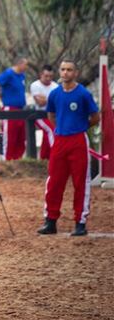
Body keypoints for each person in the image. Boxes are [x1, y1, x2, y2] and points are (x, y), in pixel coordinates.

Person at [38, 60, 100, 236]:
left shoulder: (83, 94)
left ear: (76, 73)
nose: (65, 73)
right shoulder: (55, 94)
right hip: (60, 140)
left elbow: (95, 117)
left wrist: (81, 126)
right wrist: (60, 128)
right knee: (54, 181)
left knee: (81, 182)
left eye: (69, 70)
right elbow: (51, 114)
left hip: (78, 140)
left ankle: (80, 223)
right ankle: (50, 221)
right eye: (63, 69)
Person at [0, 57, 29, 160]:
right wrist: (1, 95)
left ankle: (17, 160)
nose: (27, 67)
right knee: (9, 137)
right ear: (19, 64)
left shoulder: (22, 76)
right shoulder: (8, 74)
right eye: (26, 65)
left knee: (21, 138)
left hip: (21, 110)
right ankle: (6, 161)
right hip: (10, 109)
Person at [30, 64, 58, 160]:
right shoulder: (35, 85)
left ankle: (44, 158)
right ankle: (56, 155)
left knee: (47, 136)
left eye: (50, 76)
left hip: (53, 115)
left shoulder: (56, 86)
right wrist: (52, 99)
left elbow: (57, 102)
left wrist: (46, 99)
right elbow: (40, 103)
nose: (48, 78)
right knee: (51, 130)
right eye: (46, 76)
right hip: (40, 115)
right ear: (41, 75)